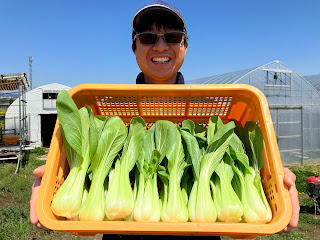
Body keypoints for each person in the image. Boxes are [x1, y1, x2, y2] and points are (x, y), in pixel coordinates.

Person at [30, 0, 300, 239]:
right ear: (134, 47)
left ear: (184, 45)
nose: (160, 45)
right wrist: (57, 176)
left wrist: (273, 179)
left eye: (171, 36)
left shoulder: (209, 116)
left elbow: (242, 224)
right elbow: (80, 210)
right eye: (148, 38)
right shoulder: (111, 114)